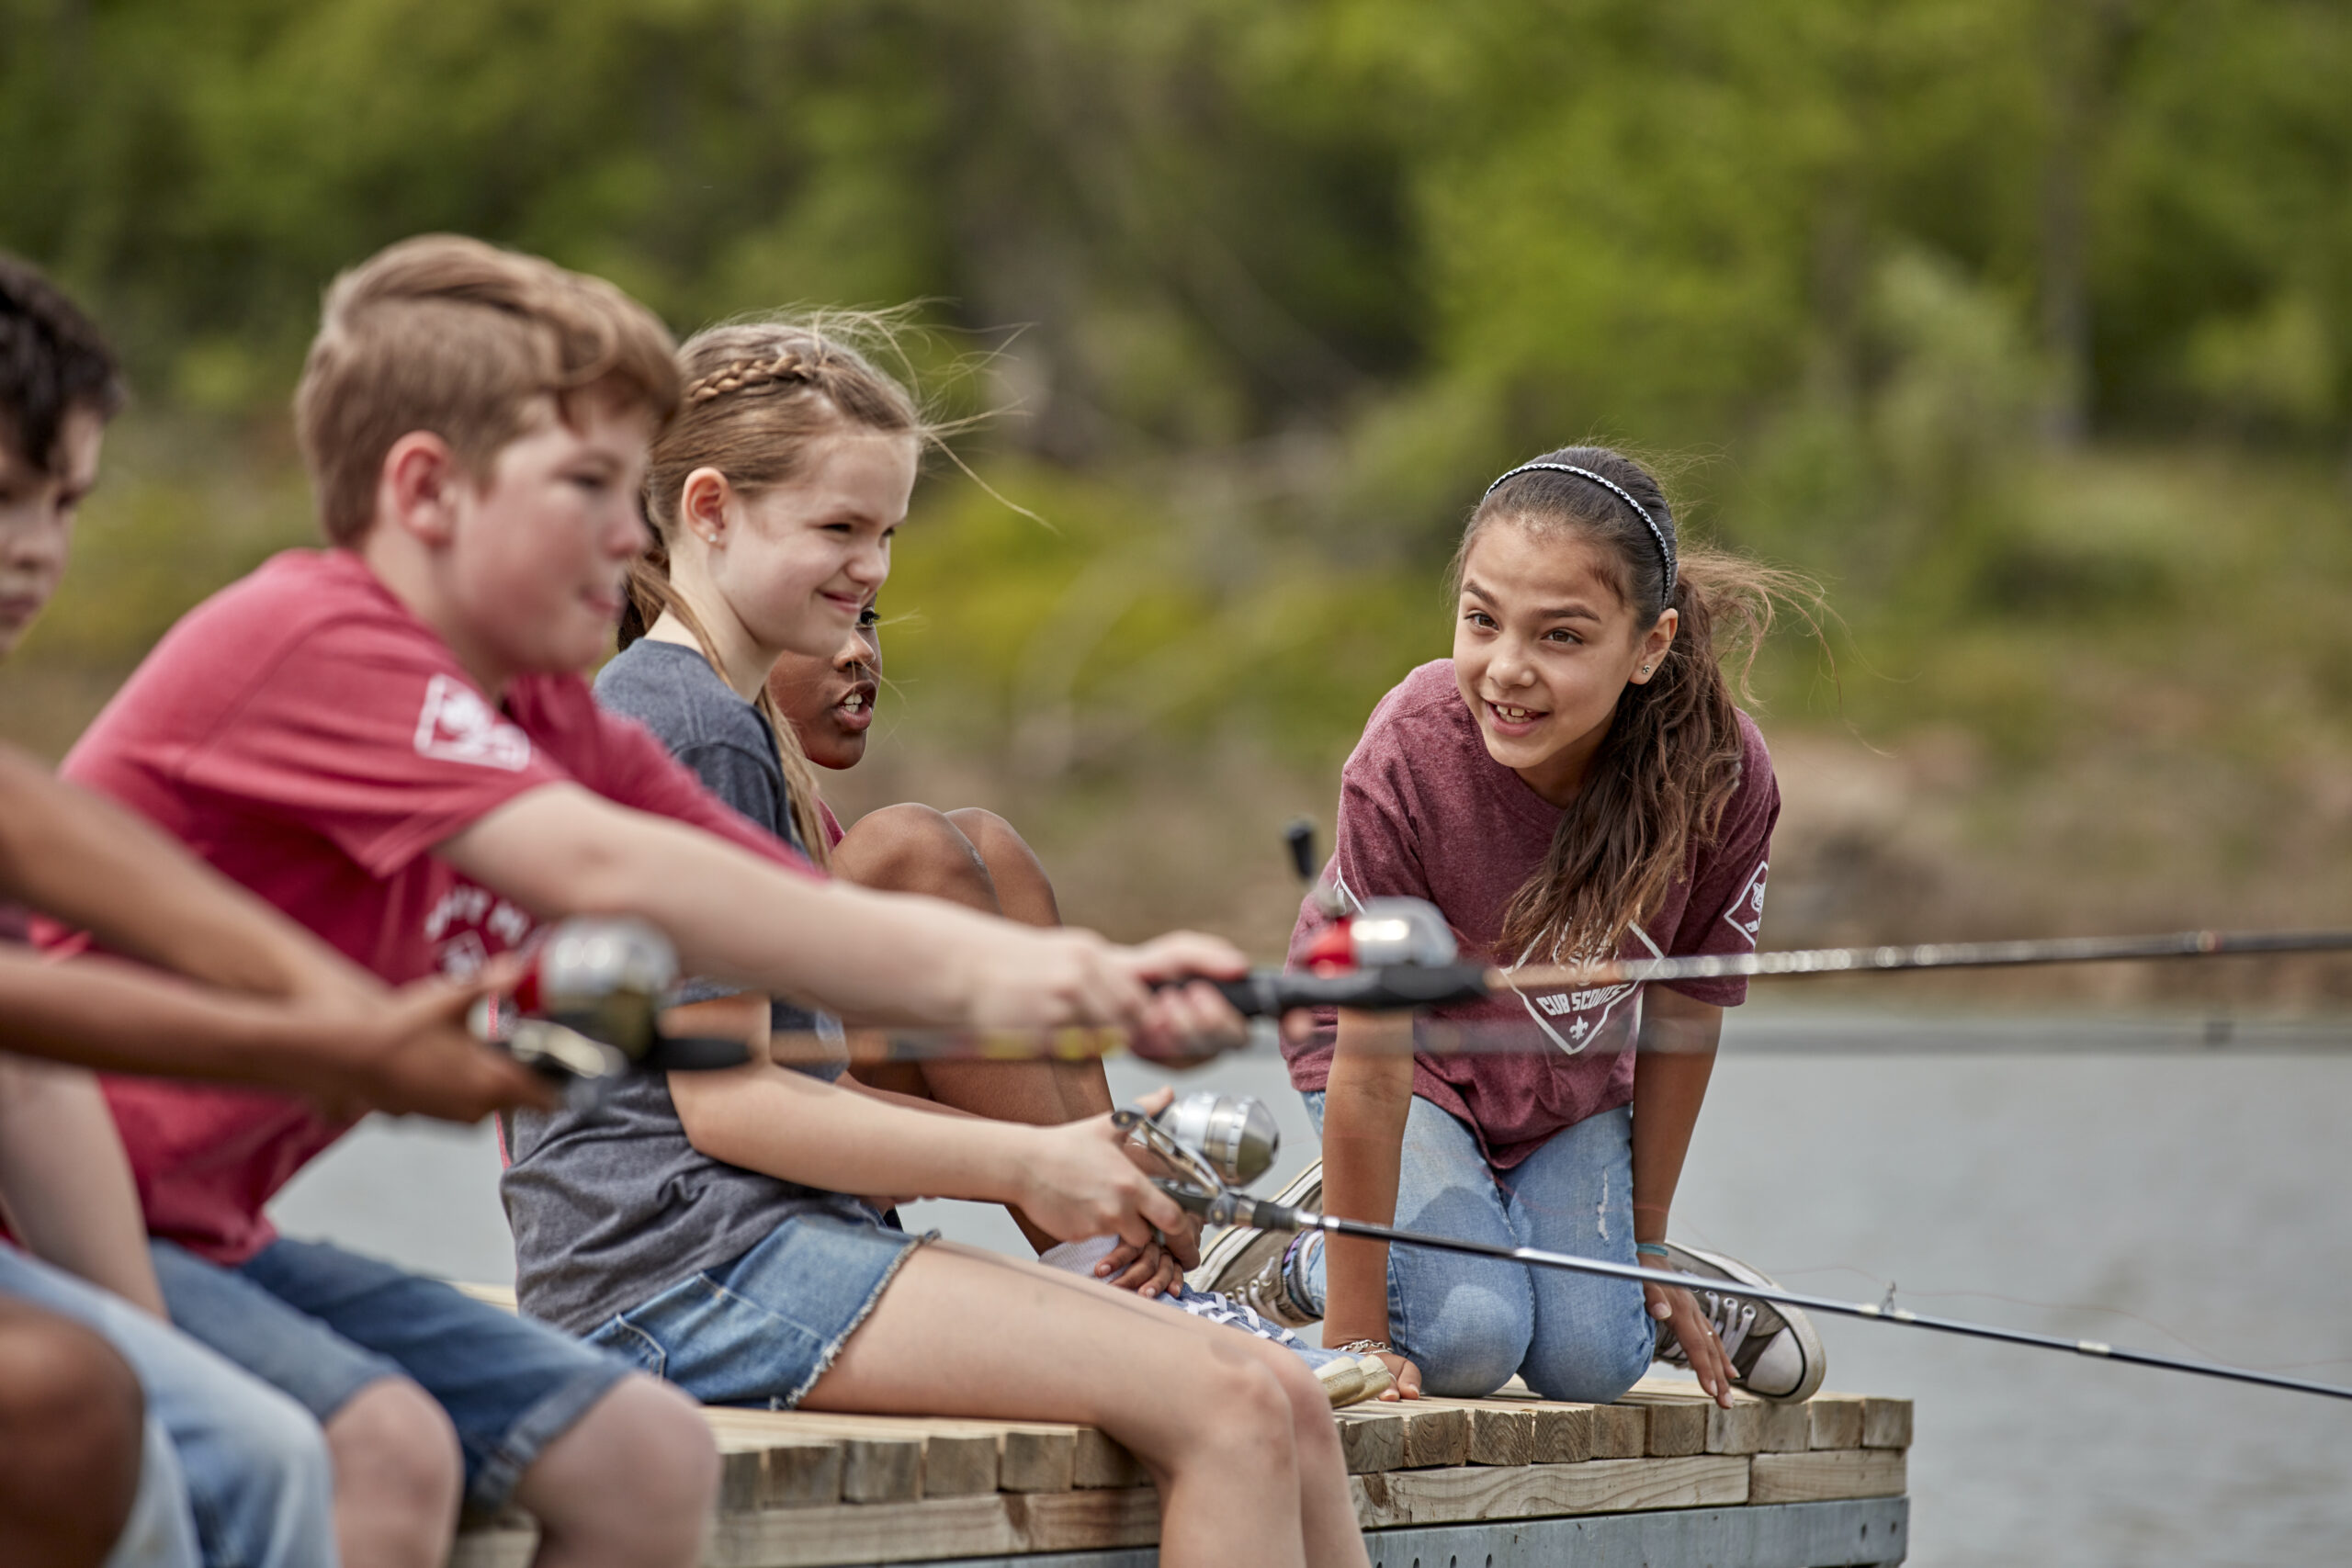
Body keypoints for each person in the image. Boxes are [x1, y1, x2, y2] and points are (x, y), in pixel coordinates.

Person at [55, 235, 1273, 1568]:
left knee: (644, 1459)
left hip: (206, 1227)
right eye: (589, 487)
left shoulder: (539, 712)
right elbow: (615, 870)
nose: (628, 533)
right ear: (427, 491)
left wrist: (1080, 979)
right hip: (73, 1219)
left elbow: (758, 902)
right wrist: (1028, 1126)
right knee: (375, 1450)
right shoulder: (322, 641)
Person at [500, 314, 1369, 1568]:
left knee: (1276, 1391)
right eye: (841, 528)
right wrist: (1029, 1160)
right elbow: (733, 1107)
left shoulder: (691, 714)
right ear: (709, 509)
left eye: (889, 532)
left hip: (735, 1247)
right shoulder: (691, 729)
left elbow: (775, 1066)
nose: (873, 569)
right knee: (1232, 1402)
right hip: (676, 1275)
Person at [1, 249, 550, 1568]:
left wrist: (346, 1015)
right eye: (4, 498)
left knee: (254, 1448)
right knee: (98, 1412)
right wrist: (343, 1043)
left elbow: (35, 846)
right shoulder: (301, 630)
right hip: (125, 1225)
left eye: (64, 503)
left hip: (132, 1237)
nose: (38, 546)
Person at [1194, 446, 1829, 1411]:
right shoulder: (1409, 746)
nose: (1506, 671)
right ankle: (1302, 1259)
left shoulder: (1725, 774)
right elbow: (1370, 1055)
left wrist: (1648, 1242)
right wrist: (1355, 1336)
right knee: (1464, 1340)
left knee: (1590, 1363)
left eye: (1561, 637)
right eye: (1481, 621)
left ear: (1648, 647)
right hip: (1397, 1065)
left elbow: (1687, 1014)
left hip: (1563, 1084)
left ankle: (1637, 1278)